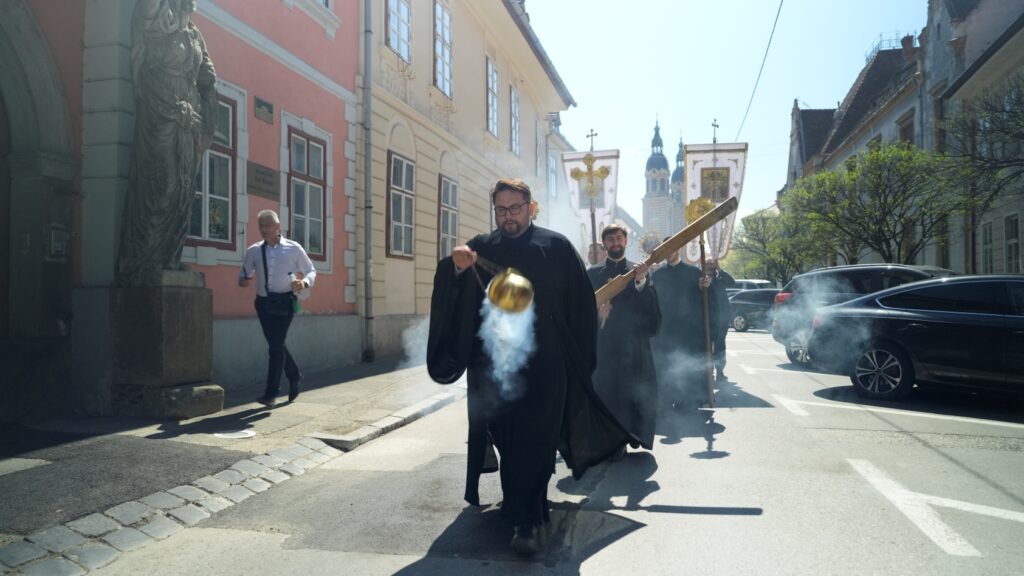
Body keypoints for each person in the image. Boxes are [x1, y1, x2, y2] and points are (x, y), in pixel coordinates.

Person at [426, 178, 630, 557]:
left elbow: (580, 305)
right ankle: (520, 504)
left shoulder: (556, 247)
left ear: (530, 207)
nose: (508, 217)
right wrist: (455, 268)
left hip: (546, 365)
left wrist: (580, 358)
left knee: (536, 439)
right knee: (509, 439)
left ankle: (528, 520)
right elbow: (455, 288)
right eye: (501, 210)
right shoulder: (481, 247)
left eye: (515, 209)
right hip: (495, 367)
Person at [118, 0, 219, 286]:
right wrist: (174, 109)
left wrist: (207, 120)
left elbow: (207, 79)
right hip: (160, 111)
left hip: (190, 118)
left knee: (184, 190)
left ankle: (168, 258)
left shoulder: (194, 33)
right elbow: (147, 71)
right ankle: (142, 260)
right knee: (163, 183)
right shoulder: (157, 13)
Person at [587, 224, 661, 456]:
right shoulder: (592, 274)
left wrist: (641, 283)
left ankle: (633, 434)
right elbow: (580, 312)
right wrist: (598, 314)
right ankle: (613, 442)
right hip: (605, 347)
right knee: (609, 395)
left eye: (619, 238)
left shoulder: (638, 271)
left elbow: (652, 314)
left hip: (634, 346)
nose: (615, 243)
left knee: (634, 393)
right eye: (610, 239)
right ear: (604, 244)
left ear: (626, 241)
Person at [239, 210, 316, 407]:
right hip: (263, 304)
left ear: (278, 226)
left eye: (268, 225)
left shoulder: (293, 248)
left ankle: (271, 393)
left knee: (275, 346)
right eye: (261, 226)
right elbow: (245, 273)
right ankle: (294, 374)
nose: (264, 229)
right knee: (277, 344)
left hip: (285, 303)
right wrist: (243, 280)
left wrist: (304, 283)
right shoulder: (254, 251)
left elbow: (311, 270)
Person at [651, 244, 706, 408]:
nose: (668, 253)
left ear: (678, 249)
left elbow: (702, 302)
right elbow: (652, 301)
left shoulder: (694, 273)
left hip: (687, 330)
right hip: (665, 329)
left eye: (671, 249)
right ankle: (667, 401)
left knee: (686, 366)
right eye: (665, 250)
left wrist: (703, 288)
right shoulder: (657, 275)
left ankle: (687, 402)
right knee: (666, 366)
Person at [704, 260, 735, 381]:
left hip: (721, 318)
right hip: (706, 318)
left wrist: (720, 270)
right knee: (706, 346)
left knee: (720, 345)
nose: (710, 266)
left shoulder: (720, 279)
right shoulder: (700, 279)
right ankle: (708, 371)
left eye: (712, 264)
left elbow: (732, 282)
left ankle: (720, 371)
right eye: (707, 263)